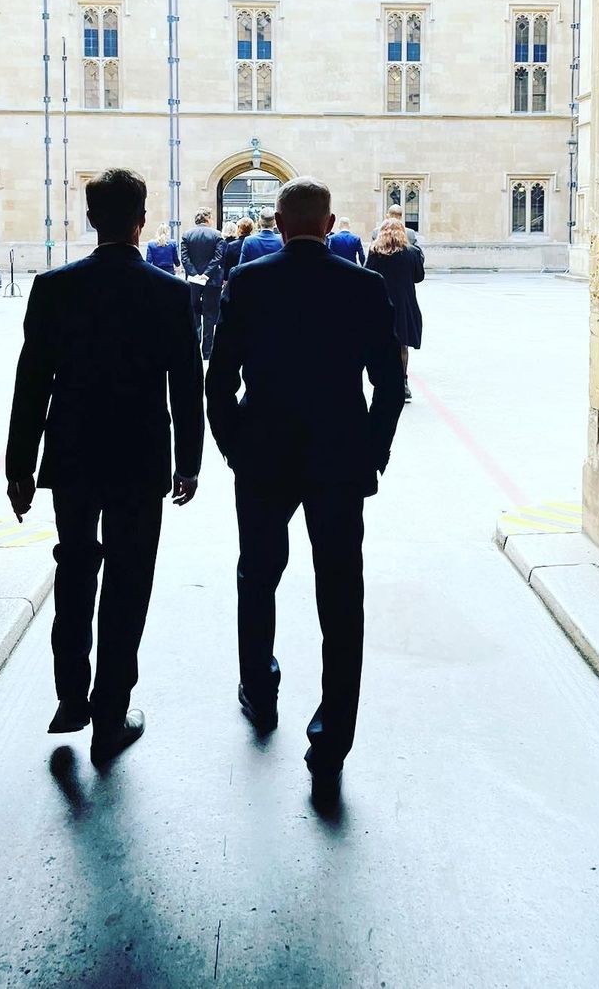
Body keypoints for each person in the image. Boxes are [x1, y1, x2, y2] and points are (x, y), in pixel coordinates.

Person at [206, 177, 405, 808]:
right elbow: (389, 384)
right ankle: (332, 736)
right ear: (329, 223)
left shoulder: (249, 281)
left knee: (257, 576)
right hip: (338, 461)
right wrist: (371, 452)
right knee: (341, 596)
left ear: (280, 223)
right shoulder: (364, 285)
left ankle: (259, 691)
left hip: (264, 455)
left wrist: (234, 445)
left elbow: (219, 379)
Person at [5, 168, 203, 766]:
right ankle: (110, 715)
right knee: (127, 580)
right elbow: (186, 389)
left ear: (91, 219)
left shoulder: (53, 287)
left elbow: (31, 382)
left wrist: (19, 467)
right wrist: (188, 462)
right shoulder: (168, 293)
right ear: (142, 218)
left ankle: (70, 699)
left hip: (72, 454)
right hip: (140, 457)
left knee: (74, 567)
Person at [365, 217, 424, 403]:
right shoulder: (412, 252)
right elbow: (419, 277)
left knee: (380, 343)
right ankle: (403, 383)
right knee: (402, 345)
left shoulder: (375, 252)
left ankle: (382, 381)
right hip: (404, 303)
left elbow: (368, 275)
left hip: (380, 302)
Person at [181, 208, 226, 358]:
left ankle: (195, 346)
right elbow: (218, 256)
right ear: (208, 219)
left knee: (194, 313)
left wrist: (194, 274)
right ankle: (207, 351)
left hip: (193, 281)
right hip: (212, 280)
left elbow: (185, 258)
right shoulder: (217, 234)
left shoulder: (187, 234)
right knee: (209, 315)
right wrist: (206, 274)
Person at [224, 215, 254, 283]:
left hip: (236, 279)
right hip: (252, 278)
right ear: (252, 229)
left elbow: (228, 265)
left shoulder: (231, 245)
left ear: (239, 228)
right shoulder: (255, 243)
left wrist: (226, 279)